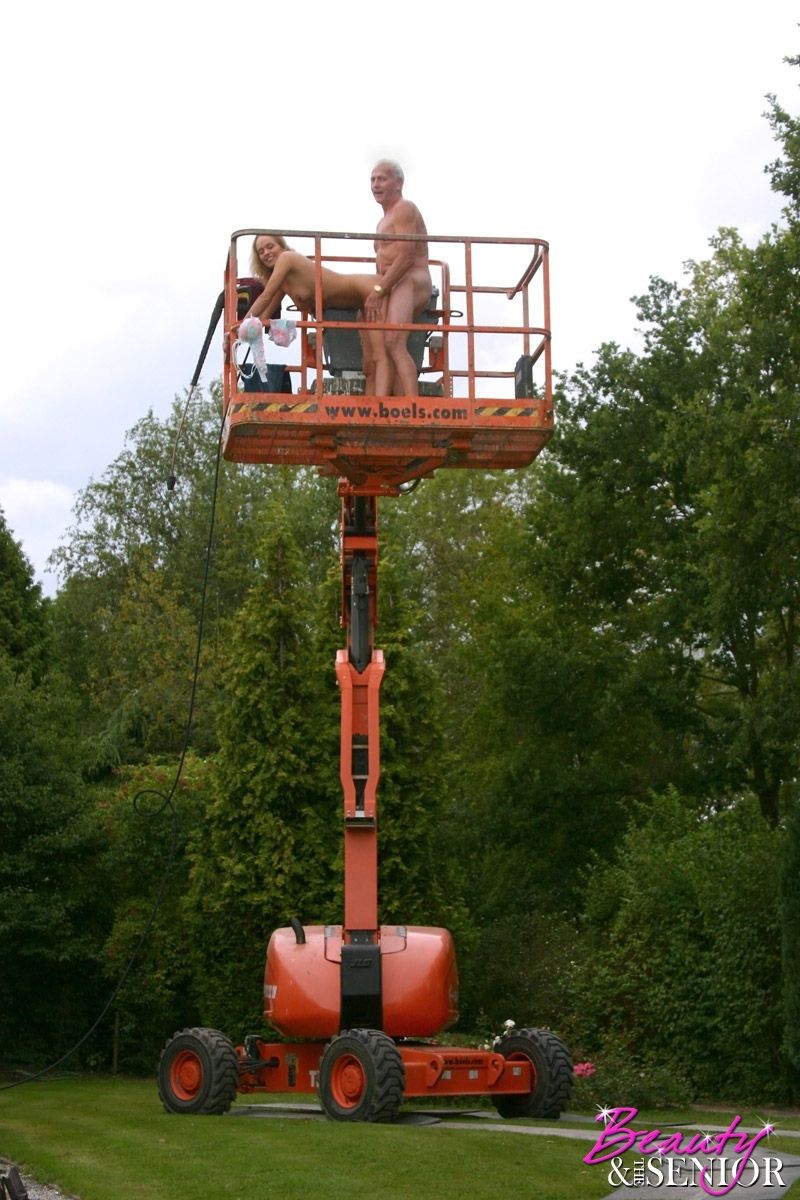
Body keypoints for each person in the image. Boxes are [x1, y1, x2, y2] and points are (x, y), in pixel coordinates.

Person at [242, 234, 388, 392]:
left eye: (270, 247)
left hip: (369, 291)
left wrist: (239, 326)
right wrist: (239, 337)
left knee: (379, 356)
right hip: (359, 305)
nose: (266, 253)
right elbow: (263, 316)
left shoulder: (287, 258)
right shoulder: (283, 282)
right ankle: (372, 411)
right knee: (368, 367)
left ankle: (384, 408)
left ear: (282, 246)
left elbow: (265, 297)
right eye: (261, 251)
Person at [363, 160, 432, 397]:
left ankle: (412, 407)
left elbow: (406, 257)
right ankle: (390, 401)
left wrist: (379, 291)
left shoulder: (405, 208)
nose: (375, 184)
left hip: (412, 280)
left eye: (382, 178)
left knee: (394, 341)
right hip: (393, 284)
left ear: (398, 182)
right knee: (380, 346)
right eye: (372, 179)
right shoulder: (382, 221)